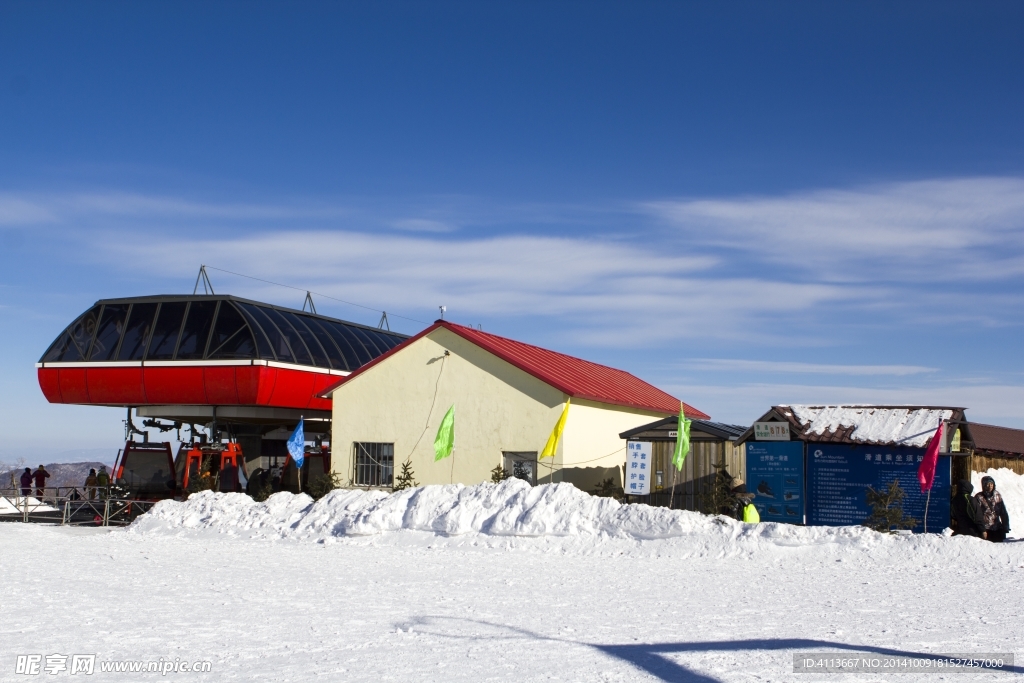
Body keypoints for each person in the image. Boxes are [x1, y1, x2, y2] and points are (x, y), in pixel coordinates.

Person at [974, 476, 1011, 543]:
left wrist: (1005, 525)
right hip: (986, 530)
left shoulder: (997, 495)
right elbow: (977, 515)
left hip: (997, 528)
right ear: (983, 485)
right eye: (987, 484)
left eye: (991, 484)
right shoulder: (979, 497)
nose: (990, 486)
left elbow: (1003, 512)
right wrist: (982, 530)